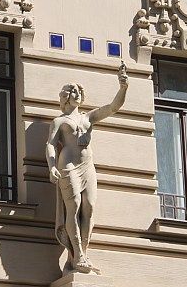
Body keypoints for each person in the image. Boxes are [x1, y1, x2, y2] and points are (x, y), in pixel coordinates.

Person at [45, 62, 129, 274]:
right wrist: (51, 166)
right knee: (73, 207)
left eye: (79, 91)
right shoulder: (59, 121)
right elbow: (51, 144)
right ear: (65, 96)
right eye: (73, 91)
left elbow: (113, 107)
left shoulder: (88, 117)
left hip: (87, 165)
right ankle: (78, 255)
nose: (77, 93)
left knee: (89, 207)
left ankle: (84, 251)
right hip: (68, 165)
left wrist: (123, 87)